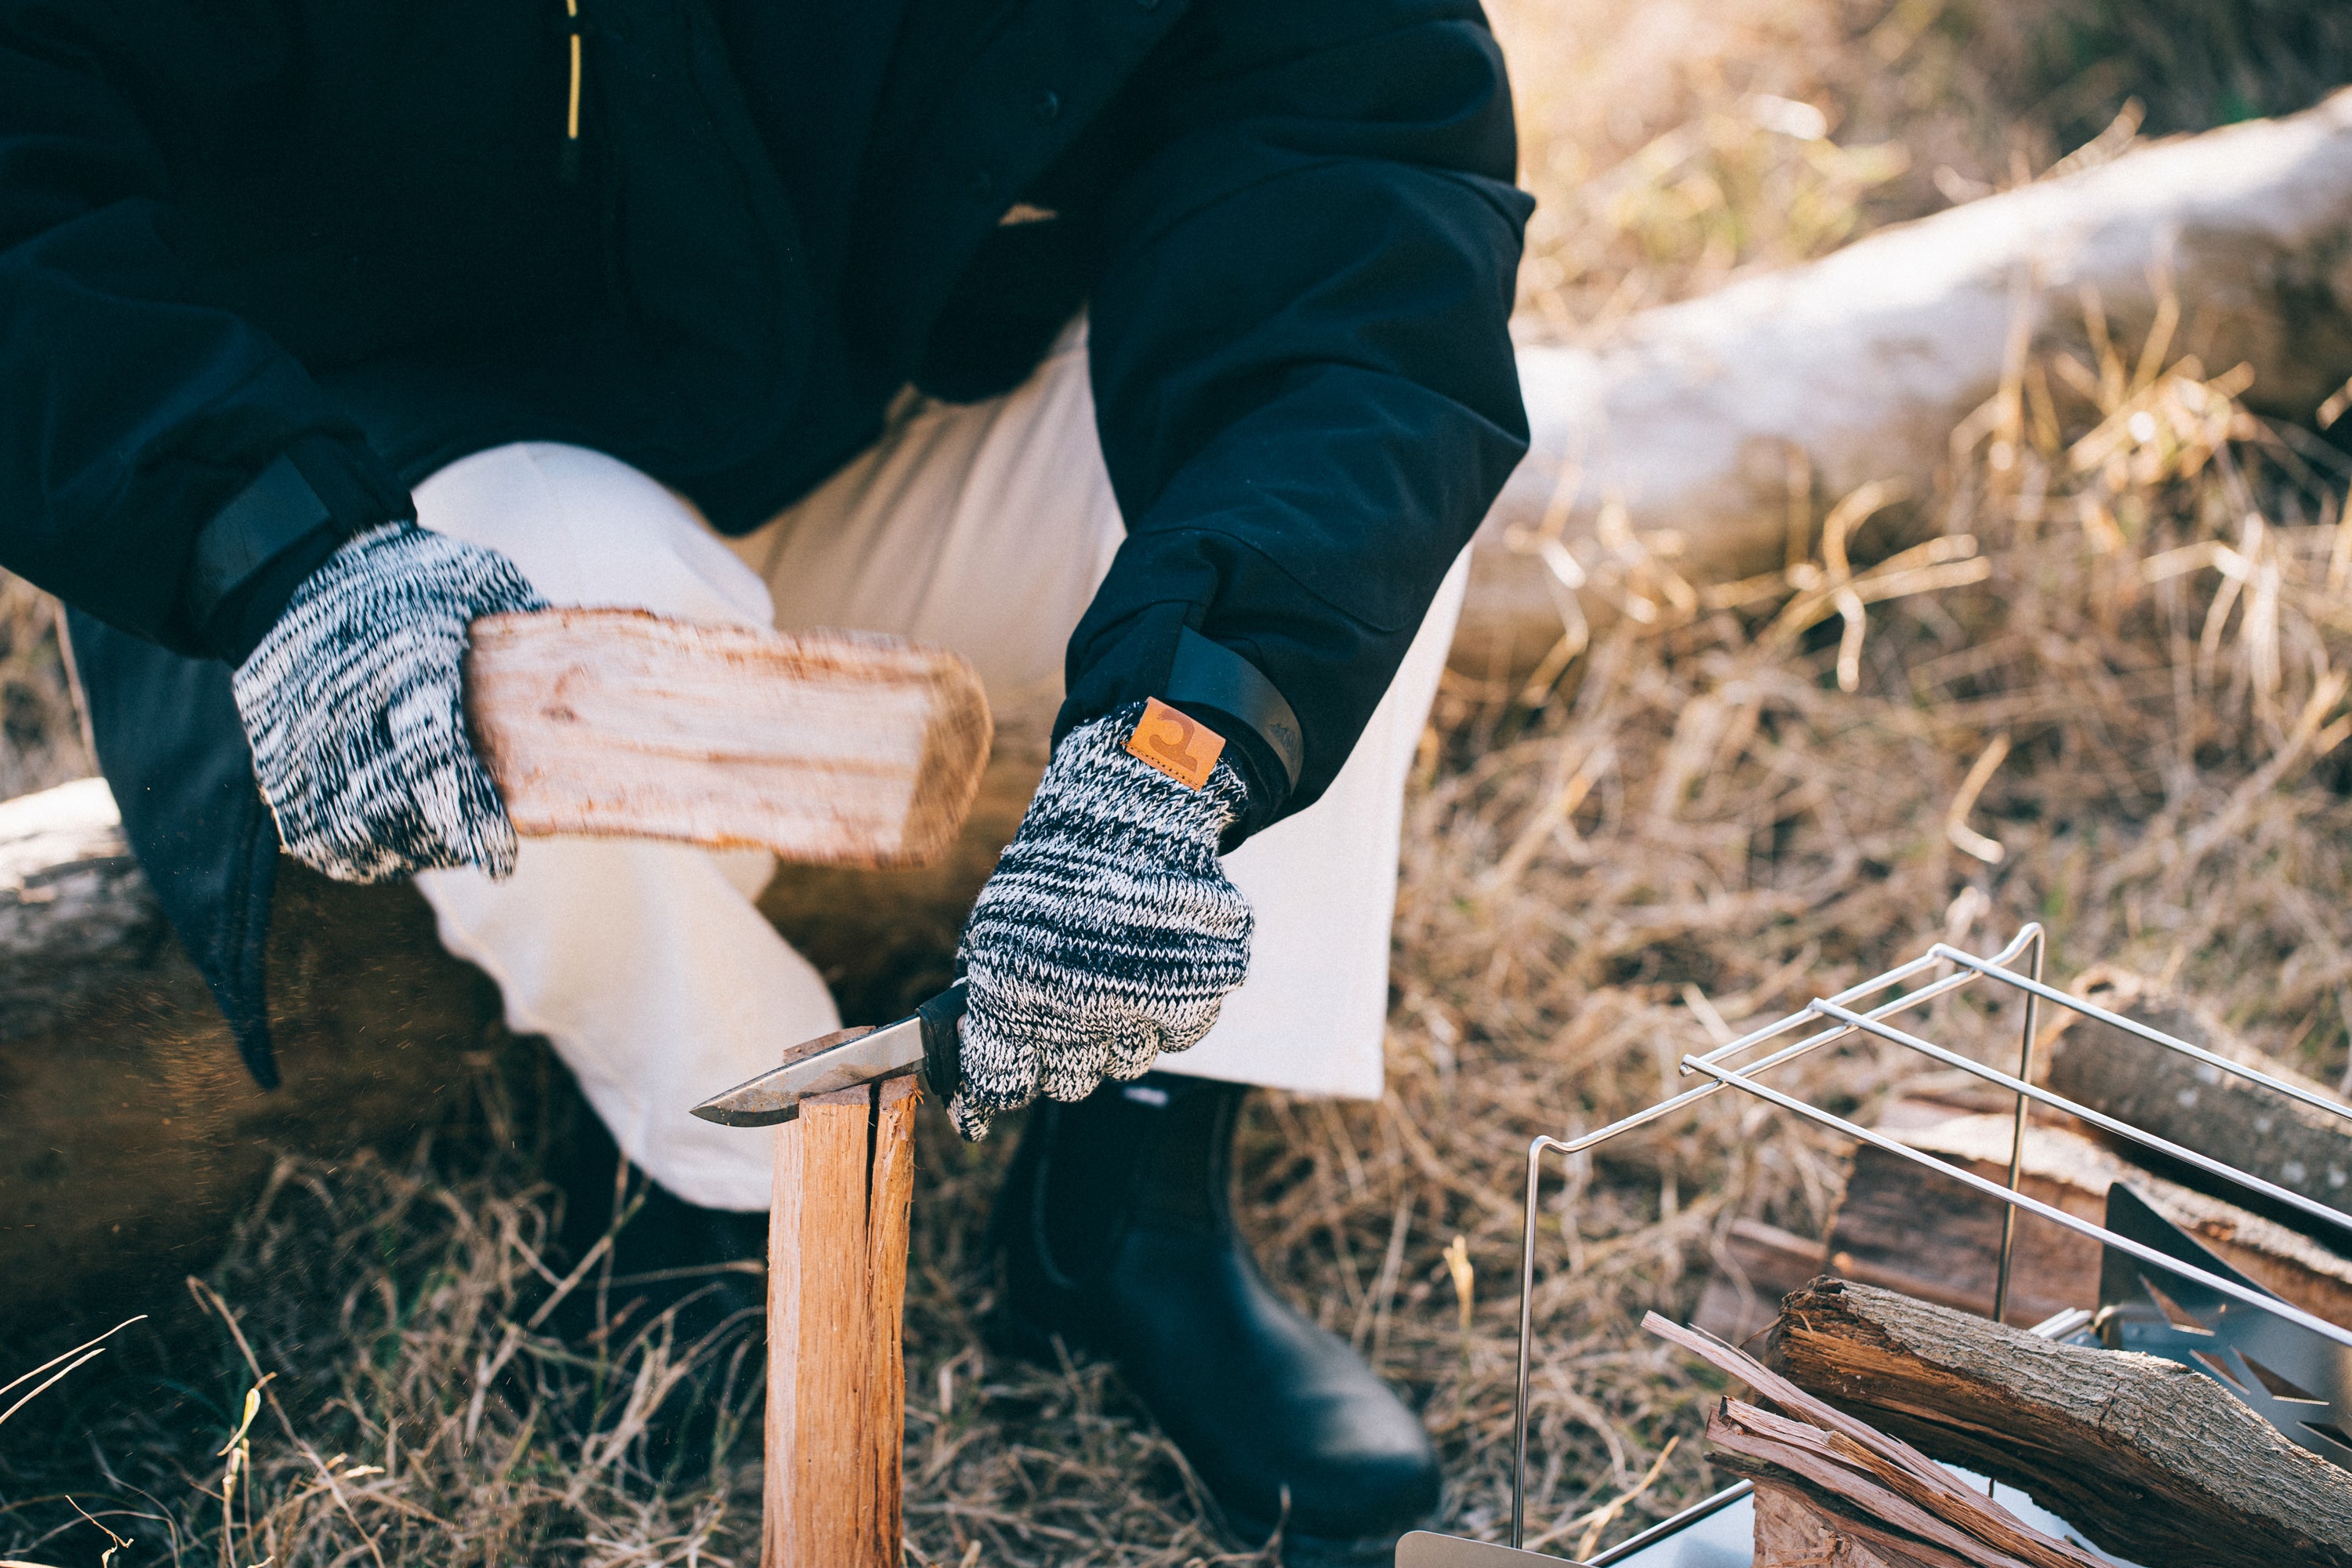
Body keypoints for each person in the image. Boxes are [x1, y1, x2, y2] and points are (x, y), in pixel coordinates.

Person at [0, 0, 1530, 1555]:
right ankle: (720, 1178)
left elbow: (1355, 185)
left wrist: (1180, 743)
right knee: (533, 635)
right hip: (396, 478)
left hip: (887, 390)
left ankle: (1131, 1189)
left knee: (1339, 483)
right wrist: (267, 542)